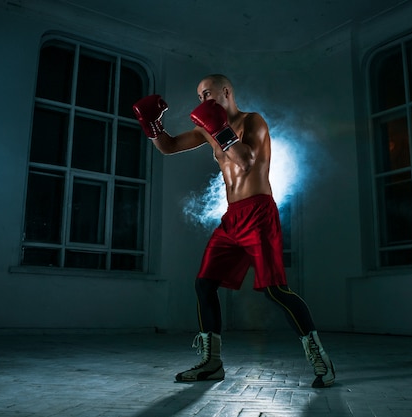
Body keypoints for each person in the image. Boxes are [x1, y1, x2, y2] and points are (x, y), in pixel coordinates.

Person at [132, 74, 335, 388]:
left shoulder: (253, 121)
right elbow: (169, 147)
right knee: (204, 284)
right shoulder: (208, 127)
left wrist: (218, 127)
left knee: (275, 290)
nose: (203, 102)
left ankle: (320, 358)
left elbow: (246, 161)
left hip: (259, 212)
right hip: (232, 218)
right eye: (200, 97)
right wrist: (151, 125)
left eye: (208, 94)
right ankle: (211, 363)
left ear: (226, 92)